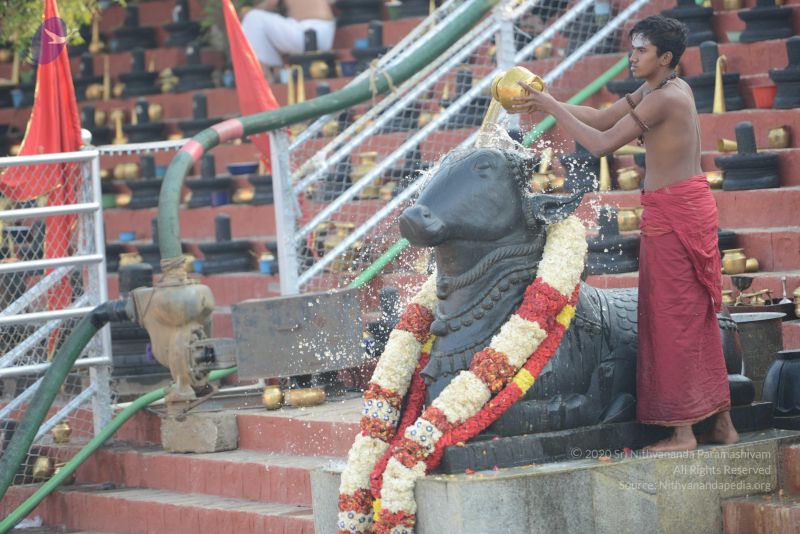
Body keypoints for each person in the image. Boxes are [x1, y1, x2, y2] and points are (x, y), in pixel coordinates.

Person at [510, 15, 739, 452]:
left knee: (671, 318)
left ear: (665, 57)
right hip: (683, 207)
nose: (631, 57)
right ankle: (723, 425)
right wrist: (548, 102)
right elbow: (601, 118)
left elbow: (601, 144)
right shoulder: (663, 88)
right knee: (693, 314)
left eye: (641, 50)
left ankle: (683, 432)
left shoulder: (663, 98)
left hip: (675, 215)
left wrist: (552, 108)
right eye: (632, 48)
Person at [242, 0, 335, 82]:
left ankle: (271, 74)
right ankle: (277, 72)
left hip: (304, 32)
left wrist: (247, 12)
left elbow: (271, 3)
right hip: (327, 33)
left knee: (252, 17)